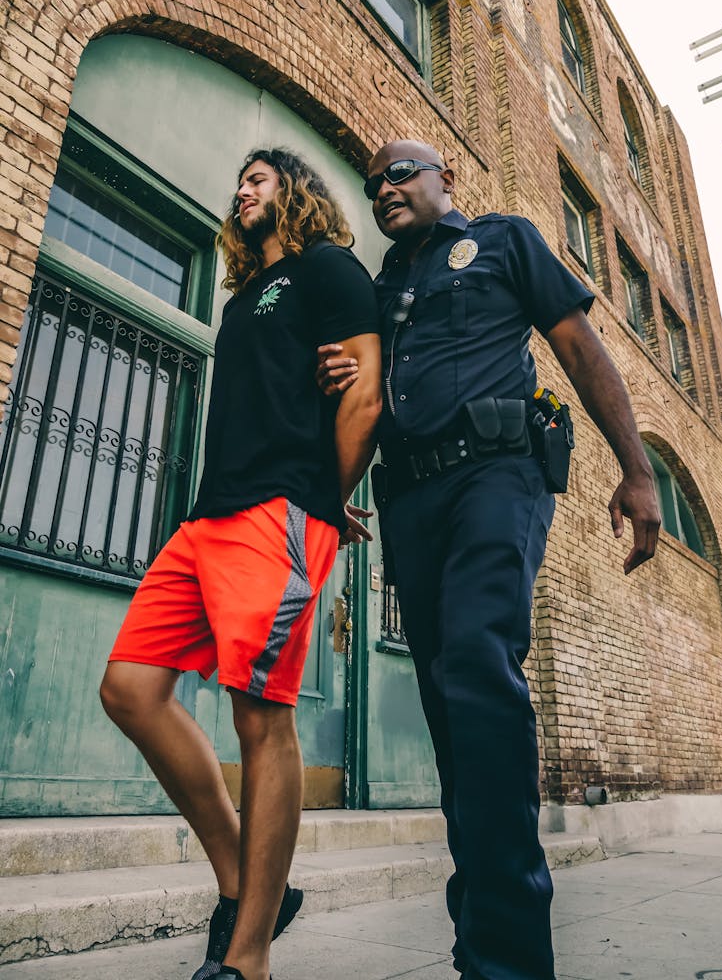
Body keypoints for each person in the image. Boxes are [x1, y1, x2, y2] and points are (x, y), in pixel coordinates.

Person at [317, 140, 661, 980]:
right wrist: (332, 491)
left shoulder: (506, 240)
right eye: (372, 185)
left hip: (498, 474)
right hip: (410, 501)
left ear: (446, 180)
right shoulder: (382, 284)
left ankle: (506, 961)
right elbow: (363, 395)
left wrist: (639, 469)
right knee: (447, 703)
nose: (383, 188)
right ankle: (482, 935)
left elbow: (578, 346)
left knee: (477, 656)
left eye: (400, 173)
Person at [100, 148, 382, 980]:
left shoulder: (327, 268)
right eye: (239, 182)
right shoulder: (243, 296)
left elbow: (366, 392)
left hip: (276, 513)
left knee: (261, 717)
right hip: (207, 517)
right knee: (130, 688)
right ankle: (247, 881)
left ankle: (247, 956)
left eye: (258, 179)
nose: (241, 190)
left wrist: (320, 502)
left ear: (294, 192)